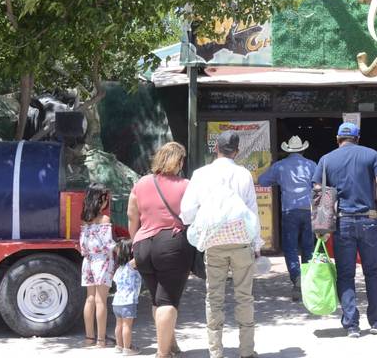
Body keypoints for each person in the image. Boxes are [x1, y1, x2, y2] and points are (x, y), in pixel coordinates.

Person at [181, 131, 263, 358]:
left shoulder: (200, 174)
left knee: (214, 297)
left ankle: (216, 352)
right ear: (236, 151)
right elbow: (252, 210)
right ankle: (246, 351)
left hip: (214, 244)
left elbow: (187, 213)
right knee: (244, 297)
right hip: (241, 243)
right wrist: (257, 244)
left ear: (215, 147)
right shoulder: (243, 174)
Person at [311, 122, 377, 338]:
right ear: (358, 138)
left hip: (343, 221)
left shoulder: (326, 159)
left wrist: (322, 224)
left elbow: (318, 190)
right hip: (369, 219)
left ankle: (351, 325)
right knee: (372, 272)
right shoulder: (371, 154)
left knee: (345, 274)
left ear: (337, 139)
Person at [128, 142, 193, 358]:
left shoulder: (142, 182)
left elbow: (132, 215)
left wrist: (134, 244)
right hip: (171, 244)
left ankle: (171, 344)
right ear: (179, 161)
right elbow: (192, 216)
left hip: (142, 244)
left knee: (157, 299)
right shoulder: (185, 185)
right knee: (168, 301)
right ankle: (162, 353)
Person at [258, 135, 317, 301]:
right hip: (308, 210)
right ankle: (307, 279)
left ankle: (297, 278)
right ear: (303, 149)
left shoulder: (280, 166)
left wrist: (278, 179)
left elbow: (262, 181)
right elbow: (321, 185)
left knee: (290, 247)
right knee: (308, 247)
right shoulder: (312, 165)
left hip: (289, 211)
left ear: (287, 150)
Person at [80, 183, 115, 348]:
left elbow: (83, 245)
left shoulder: (85, 221)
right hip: (102, 261)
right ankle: (101, 340)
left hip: (88, 261)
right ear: (101, 199)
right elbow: (108, 245)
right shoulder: (104, 219)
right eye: (106, 198)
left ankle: (89, 338)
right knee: (102, 301)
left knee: (90, 299)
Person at [112, 238, 142, 355]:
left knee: (119, 324)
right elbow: (141, 256)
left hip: (117, 302)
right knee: (127, 326)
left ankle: (119, 346)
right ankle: (127, 348)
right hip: (128, 301)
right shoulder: (131, 265)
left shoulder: (119, 269)